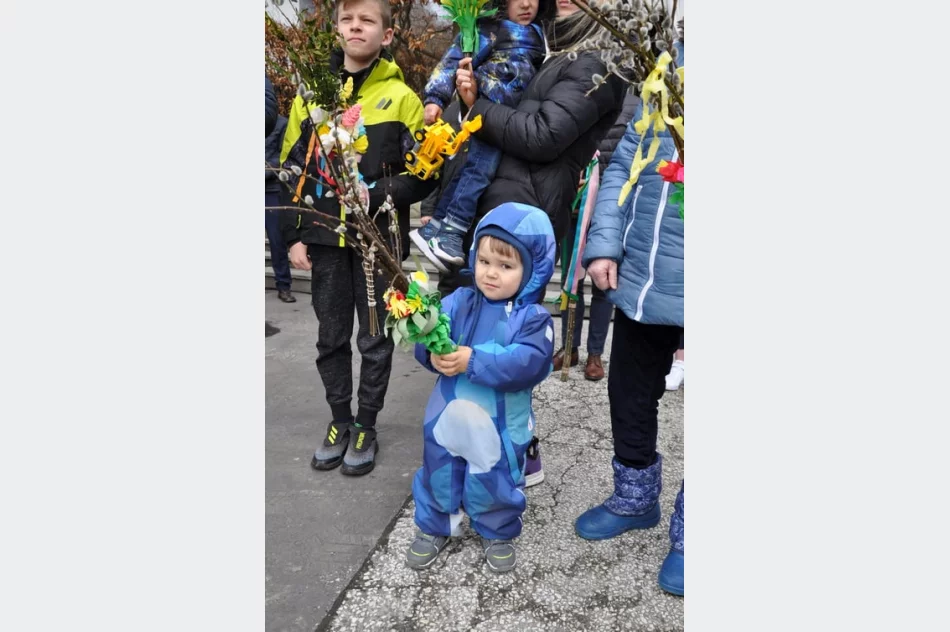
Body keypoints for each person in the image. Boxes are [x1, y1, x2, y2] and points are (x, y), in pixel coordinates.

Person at [433, 1, 628, 486]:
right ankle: (471, 447)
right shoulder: (547, 40)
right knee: (473, 332)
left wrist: (480, 105)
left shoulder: (598, 62)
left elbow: (543, 134)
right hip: (503, 203)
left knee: (506, 345)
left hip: (524, 215)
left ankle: (512, 455)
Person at [278, 0, 431, 476]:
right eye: (348, 20)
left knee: (374, 338)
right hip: (324, 238)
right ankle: (339, 419)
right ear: (338, 30)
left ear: (386, 35)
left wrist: (379, 192)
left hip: (378, 244)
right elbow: (292, 172)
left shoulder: (401, 97)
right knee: (329, 337)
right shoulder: (311, 96)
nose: (356, 27)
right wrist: (294, 234)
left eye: (367, 20)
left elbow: (425, 173)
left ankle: (366, 423)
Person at [572, 34, 685, 597]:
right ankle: (636, 497)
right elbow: (623, 163)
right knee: (629, 390)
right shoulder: (665, 67)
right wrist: (605, 243)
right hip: (645, 273)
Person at [405, 202, 555, 573]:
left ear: (532, 271)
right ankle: (436, 524)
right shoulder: (460, 301)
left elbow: (530, 362)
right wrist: (431, 351)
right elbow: (431, 332)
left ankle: (497, 529)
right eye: (485, 261)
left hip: (501, 422)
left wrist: (472, 360)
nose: (491, 274)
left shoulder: (532, 318)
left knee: (496, 474)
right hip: (446, 415)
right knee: (440, 467)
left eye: (506, 266)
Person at [409, 0, 545, 272]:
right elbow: (452, 61)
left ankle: (435, 226)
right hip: (486, 112)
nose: (527, 3)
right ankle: (452, 231)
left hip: (510, 118)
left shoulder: (542, 34)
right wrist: (436, 98)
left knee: (469, 171)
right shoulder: (488, 30)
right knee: (477, 172)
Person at [553, 86, 640, 380]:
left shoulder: (635, 103)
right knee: (571, 280)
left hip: (611, 209)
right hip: (574, 206)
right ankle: (569, 347)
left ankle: (595, 353)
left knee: (603, 283)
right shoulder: (582, 90)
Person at [266, 98, 295, 303]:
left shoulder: (282, 124)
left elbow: (285, 157)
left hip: (271, 189)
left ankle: (283, 285)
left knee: (277, 241)